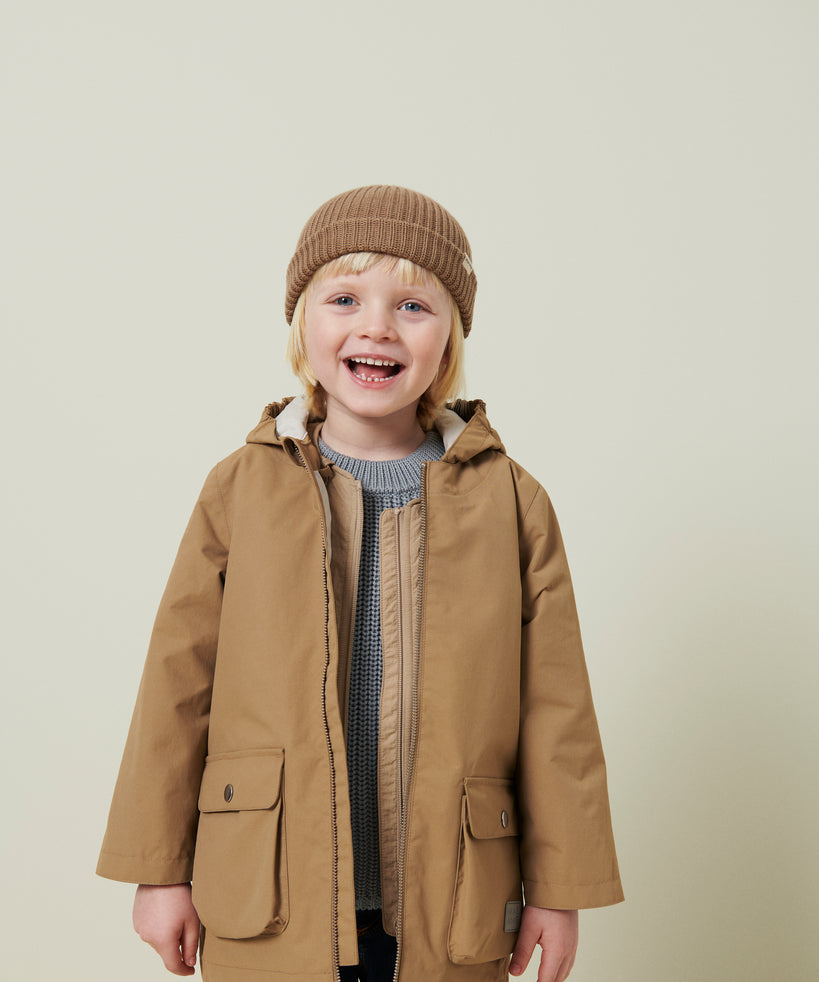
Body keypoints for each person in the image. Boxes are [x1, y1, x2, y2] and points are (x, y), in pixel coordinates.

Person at [97, 184, 624, 982]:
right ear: (302, 325)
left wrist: (560, 889)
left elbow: (558, 711)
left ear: (448, 340)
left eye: (412, 305)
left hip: (452, 901)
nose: (376, 326)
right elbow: (177, 685)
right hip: (269, 889)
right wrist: (159, 869)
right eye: (344, 298)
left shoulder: (511, 501)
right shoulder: (240, 489)